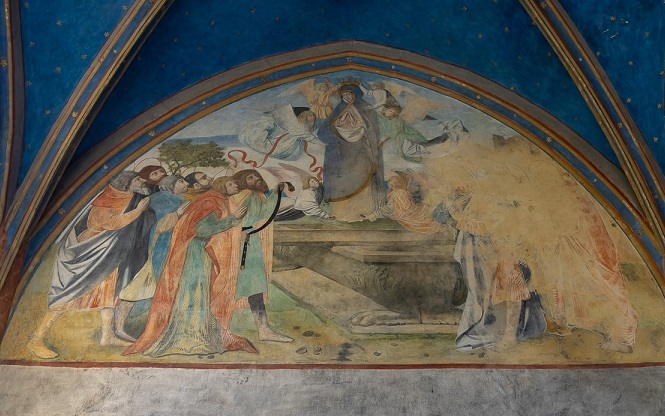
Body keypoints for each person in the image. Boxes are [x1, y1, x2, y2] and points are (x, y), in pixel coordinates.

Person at [27, 171, 155, 359]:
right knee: (70, 296)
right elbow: (109, 223)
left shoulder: (130, 197)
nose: (142, 180)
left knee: (109, 294)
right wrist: (137, 211)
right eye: (137, 179)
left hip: (108, 257)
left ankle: (107, 336)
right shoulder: (107, 199)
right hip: (91, 255)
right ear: (126, 182)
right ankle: (36, 339)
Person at [123, 179, 253, 357]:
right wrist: (233, 219)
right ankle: (191, 336)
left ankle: (199, 334)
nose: (235, 185)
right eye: (230, 184)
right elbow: (202, 229)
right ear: (221, 185)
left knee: (199, 292)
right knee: (195, 292)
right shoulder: (210, 201)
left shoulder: (215, 200)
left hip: (199, 250)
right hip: (195, 252)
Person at [115, 175, 191, 340]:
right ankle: (120, 328)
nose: (186, 183)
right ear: (170, 184)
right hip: (155, 250)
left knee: (159, 288)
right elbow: (159, 226)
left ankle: (160, 329)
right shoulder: (159, 200)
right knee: (135, 288)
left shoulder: (180, 199)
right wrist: (176, 214)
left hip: (173, 250)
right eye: (181, 181)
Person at [231, 169, 293, 342]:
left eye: (256, 175)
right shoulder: (243, 195)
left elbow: (265, 212)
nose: (256, 178)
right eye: (250, 177)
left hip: (250, 242)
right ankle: (260, 329)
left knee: (255, 286)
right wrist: (237, 232)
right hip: (239, 244)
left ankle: (263, 329)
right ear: (241, 182)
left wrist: (275, 193)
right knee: (244, 286)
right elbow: (229, 217)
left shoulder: (255, 196)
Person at [318, 80, 386, 221]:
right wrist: (339, 135)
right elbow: (322, 132)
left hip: (361, 151)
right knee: (343, 181)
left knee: (363, 175)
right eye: (344, 95)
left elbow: (373, 130)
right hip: (342, 155)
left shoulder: (365, 108)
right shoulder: (338, 109)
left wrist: (362, 133)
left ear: (355, 94)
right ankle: (342, 214)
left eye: (349, 94)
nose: (347, 97)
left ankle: (364, 211)